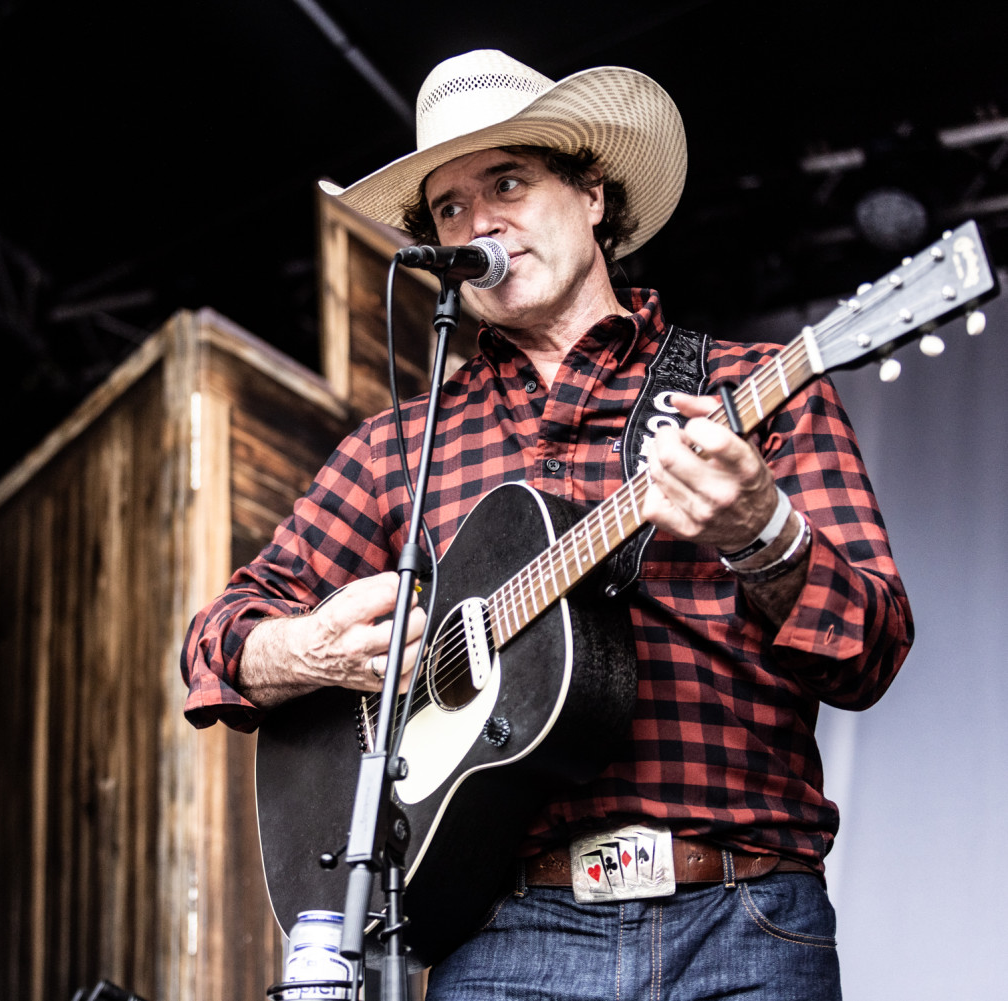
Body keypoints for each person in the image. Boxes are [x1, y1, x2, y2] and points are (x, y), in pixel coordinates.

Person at [180, 49, 911, 999]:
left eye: (509, 182)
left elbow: (871, 649)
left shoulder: (750, 389)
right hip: (503, 936)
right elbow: (213, 644)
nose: (479, 220)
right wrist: (313, 647)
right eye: (448, 208)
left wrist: (759, 531)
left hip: (745, 918)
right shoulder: (394, 446)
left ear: (595, 195)